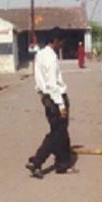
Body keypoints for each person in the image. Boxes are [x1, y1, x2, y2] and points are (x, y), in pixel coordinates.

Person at [26, 27, 78, 179]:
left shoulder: (40, 55)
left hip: (48, 98)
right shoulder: (50, 57)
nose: (62, 45)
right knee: (56, 133)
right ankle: (37, 161)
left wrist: (42, 96)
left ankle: (63, 163)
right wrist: (61, 105)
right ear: (55, 41)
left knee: (61, 132)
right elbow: (51, 84)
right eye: (61, 42)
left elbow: (38, 80)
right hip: (56, 98)